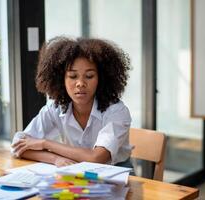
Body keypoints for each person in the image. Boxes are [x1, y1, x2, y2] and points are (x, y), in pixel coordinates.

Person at [11, 36, 133, 169]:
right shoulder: (56, 108)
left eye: (89, 76)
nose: (80, 83)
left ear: (101, 79)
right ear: (61, 79)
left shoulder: (116, 111)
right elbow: (19, 144)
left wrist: (45, 143)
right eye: (73, 76)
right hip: (75, 172)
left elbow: (96, 158)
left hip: (117, 175)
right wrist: (55, 159)